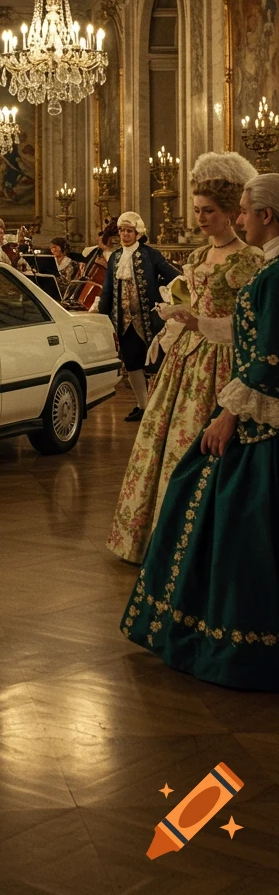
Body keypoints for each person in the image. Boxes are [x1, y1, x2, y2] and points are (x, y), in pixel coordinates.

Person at [121, 173, 279, 690]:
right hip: (203, 367)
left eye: (232, 211)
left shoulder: (263, 268)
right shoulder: (251, 265)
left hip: (239, 383)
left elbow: (262, 350)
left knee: (221, 495)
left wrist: (230, 408)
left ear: (261, 216)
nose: (229, 220)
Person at [106, 153, 262, 562]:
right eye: (196, 211)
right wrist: (175, 323)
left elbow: (249, 325)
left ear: (231, 213)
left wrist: (198, 323)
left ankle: (200, 548)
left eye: (209, 211)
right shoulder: (196, 257)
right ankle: (156, 538)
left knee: (203, 450)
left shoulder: (248, 260)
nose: (200, 218)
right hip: (187, 361)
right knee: (162, 443)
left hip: (223, 363)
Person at [93, 211, 181, 422]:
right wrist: (103, 317)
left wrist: (164, 292)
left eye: (129, 231)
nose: (124, 234)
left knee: (154, 363)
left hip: (149, 319)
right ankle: (143, 406)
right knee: (132, 363)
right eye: (122, 230)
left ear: (138, 233)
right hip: (123, 321)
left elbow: (174, 276)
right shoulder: (114, 257)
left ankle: (159, 407)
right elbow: (107, 290)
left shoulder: (151, 255)